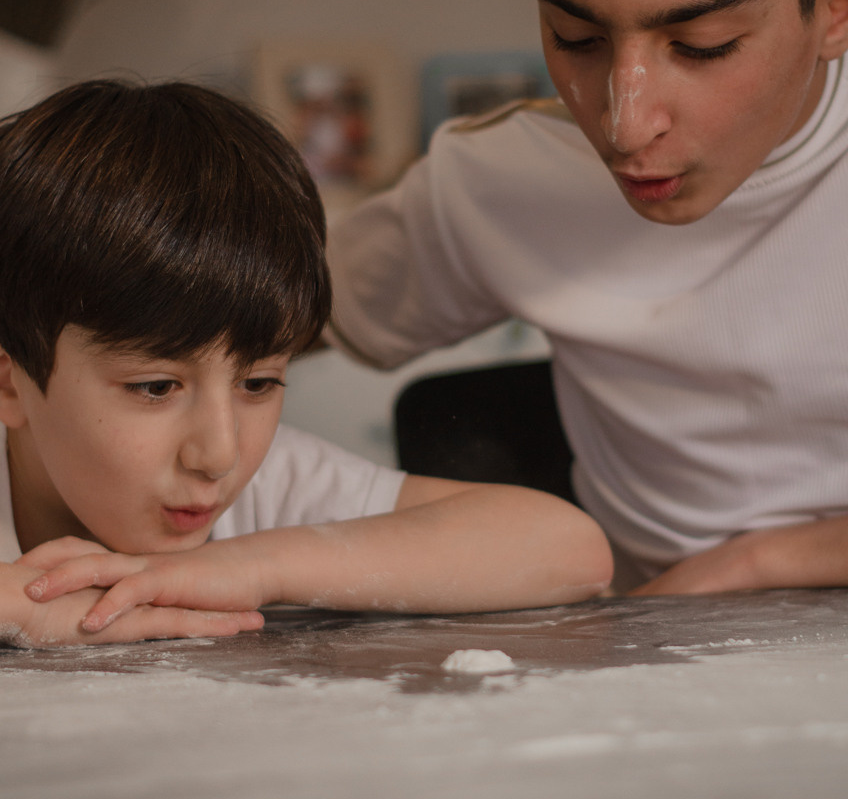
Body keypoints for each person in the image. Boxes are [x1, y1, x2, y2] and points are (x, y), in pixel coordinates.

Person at [325, 0, 848, 595]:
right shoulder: (503, 178)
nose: (625, 123)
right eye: (575, 36)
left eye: (702, 44)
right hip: (640, 659)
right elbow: (250, 314)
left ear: (838, 7)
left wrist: (757, 562)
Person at [0, 80, 611, 648]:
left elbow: (570, 549)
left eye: (259, 382)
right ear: (10, 382)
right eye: (157, 386)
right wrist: (19, 609)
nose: (218, 454)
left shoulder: (267, 490)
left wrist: (251, 565)